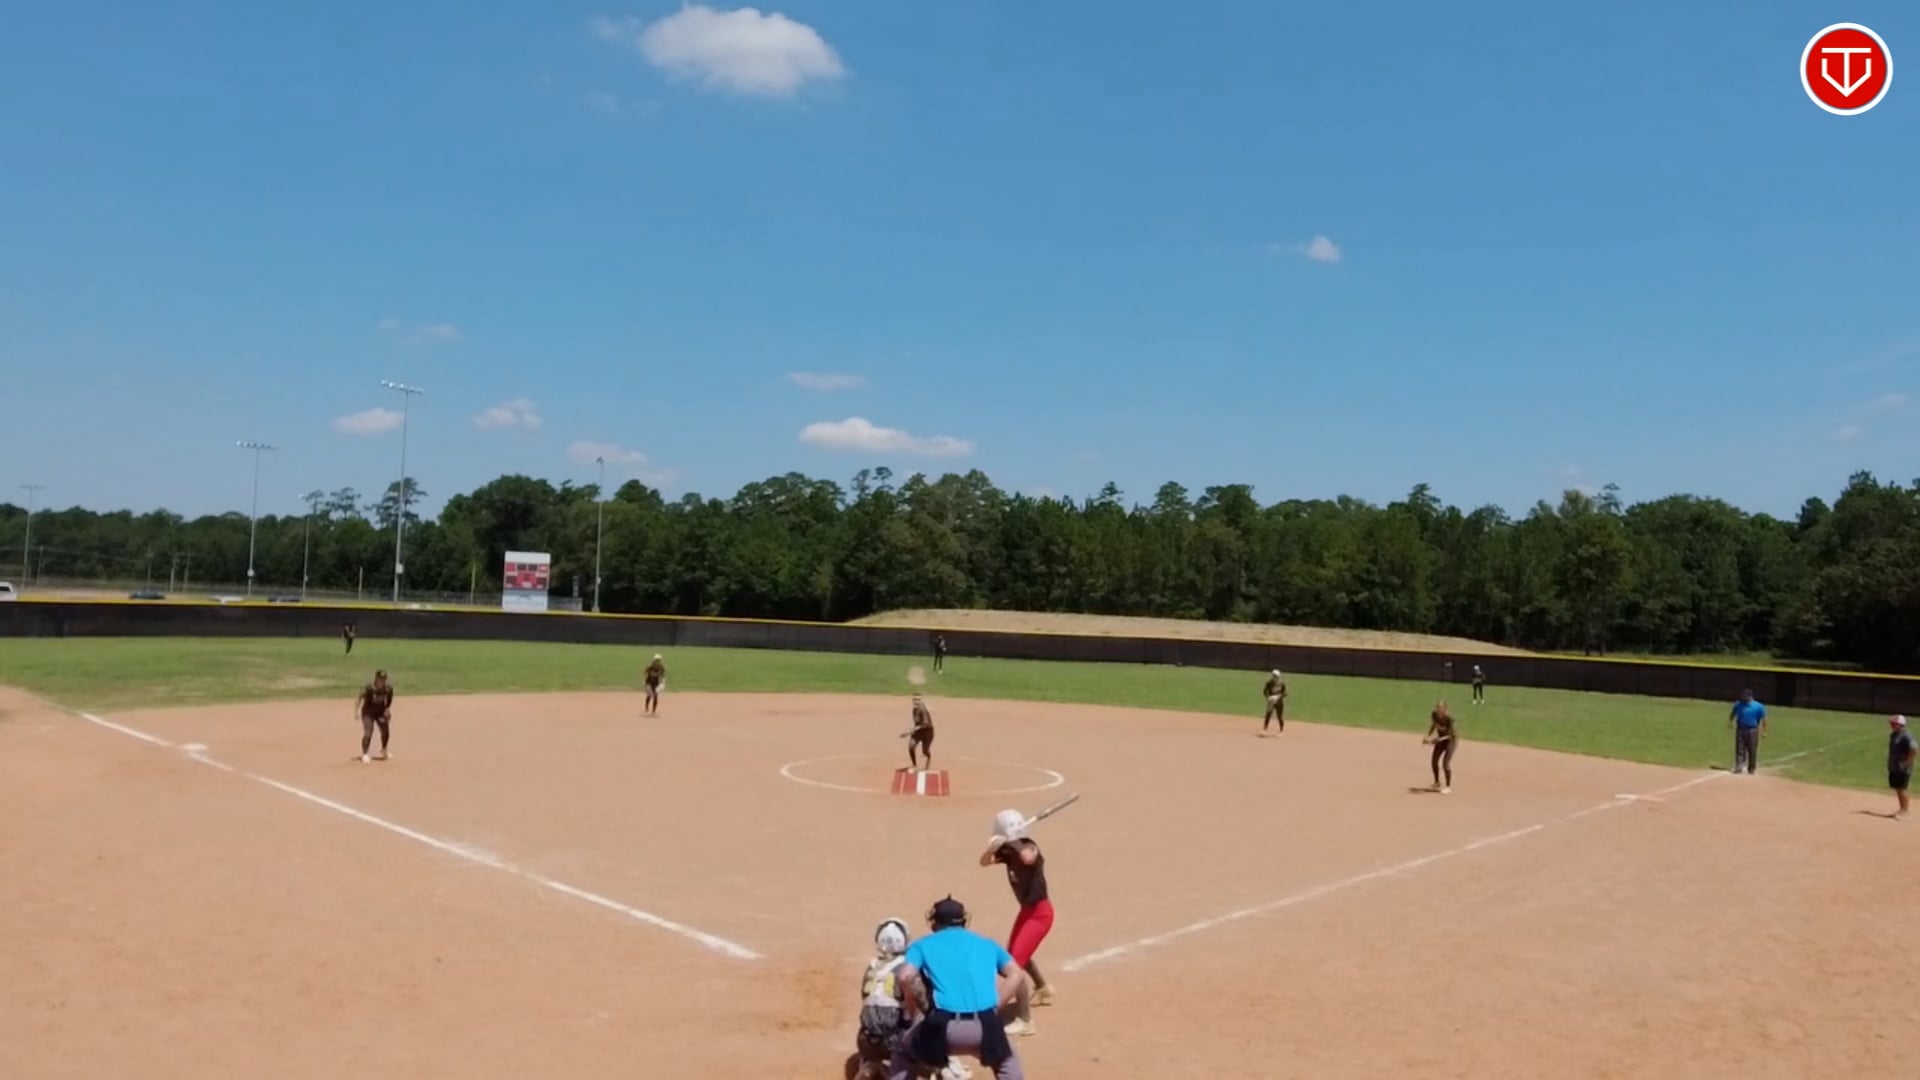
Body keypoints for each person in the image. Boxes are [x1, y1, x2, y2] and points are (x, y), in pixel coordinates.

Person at [889, 897, 1028, 1080]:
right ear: (964, 921)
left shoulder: (921, 945)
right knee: (1006, 1058)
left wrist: (911, 1009)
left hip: (942, 1029)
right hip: (986, 1025)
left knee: (903, 1049)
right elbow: (1016, 974)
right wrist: (995, 1006)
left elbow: (905, 976)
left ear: (934, 922)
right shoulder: (988, 944)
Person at [980, 809, 1052, 1034]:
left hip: (1040, 913)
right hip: (1027, 911)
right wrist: (993, 848)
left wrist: (1014, 842)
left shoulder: (1029, 846)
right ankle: (1043, 987)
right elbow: (983, 862)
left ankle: (1025, 1020)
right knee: (1016, 952)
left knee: (1013, 964)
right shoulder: (1008, 850)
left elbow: (1028, 857)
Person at [354, 669, 394, 763]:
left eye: (383, 679)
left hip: (380, 712)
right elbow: (359, 697)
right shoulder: (369, 688)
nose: (382, 681)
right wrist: (357, 711)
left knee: (385, 732)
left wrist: (387, 709)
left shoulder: (388, 689)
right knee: (368, 732)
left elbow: (389, 699)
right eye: (380, 679)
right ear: (376, 679)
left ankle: (384, 750)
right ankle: (365, 754)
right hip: (368, 712)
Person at [1728, 689, 1767, 775]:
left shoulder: (1758, 706)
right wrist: (1731, 722)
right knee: (1739, 748)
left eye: (1746, 697)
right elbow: (1733, 713)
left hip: (1752, 730)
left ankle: (1751, 768)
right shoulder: (1738, 704)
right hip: (1740, 728)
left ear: (1750, 697)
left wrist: (1764, 731)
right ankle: (1739, 765)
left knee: (1752, 749)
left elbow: (1763, 719)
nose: (1744, 699)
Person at [1423, 699, 1456, 793]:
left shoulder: (1449, 719)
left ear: (1445, 709)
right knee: (1434, 761)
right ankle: (1437, 782)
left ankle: (1448, 787)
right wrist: (1428, 736)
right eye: (1437, 707)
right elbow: (1434, 725)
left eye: (1441, 708)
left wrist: (1438, 739)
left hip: (1450, 741)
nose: (1439, 709)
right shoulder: (1434, 715)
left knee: (1445, 764)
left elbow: (1451, 735)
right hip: (1441, 740)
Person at [1889, 714, 1916, 821]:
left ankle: (1905, 811)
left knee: (1902, 789)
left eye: (1894, 723)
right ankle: (1901, 809)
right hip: (1895, 766)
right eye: (1891, 723)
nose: (1891, 725)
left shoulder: (1906, 736)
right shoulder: (1893, 735)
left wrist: (1907, 762)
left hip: (1903, 768)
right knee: (1898, 788)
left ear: (1900, 725)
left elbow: (1914, 749)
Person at [906, 693, 935, 772]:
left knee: (925, 751)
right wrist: (913, 730)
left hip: (927, 732)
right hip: (918, 731)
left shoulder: (923, 710)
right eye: (915, 699)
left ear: (921, 701)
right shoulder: (914, 709)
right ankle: (914, 765)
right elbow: (917, 723)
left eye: (918, 700)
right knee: (911, 746)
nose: (916, 701)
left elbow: (925, 724)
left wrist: (910, 731)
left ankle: (928, 759)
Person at [1261, 668, 1287, 736]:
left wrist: (1278, 697)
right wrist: (1268, 698)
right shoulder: (1269, 683)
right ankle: (1264, 729)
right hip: (1271, 702)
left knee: (1280, 717)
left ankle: (1281, 731)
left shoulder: (1282, 683)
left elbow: (1285, 693)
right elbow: (1264, 691)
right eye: (1274, 675)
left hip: (1279, 702)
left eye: (1276, 676)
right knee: (1268, 715)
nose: (1275, 677)